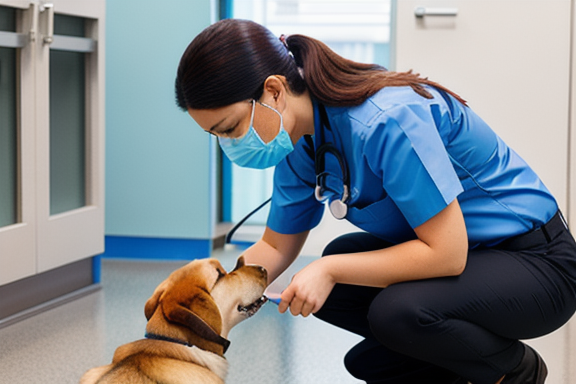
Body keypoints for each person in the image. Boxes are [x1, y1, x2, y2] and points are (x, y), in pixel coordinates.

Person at [174, 18, 576, 384]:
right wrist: (209, 304)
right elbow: (277, 246)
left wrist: (329, 269)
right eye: (218, 136)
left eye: (230, 128)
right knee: (361, 330)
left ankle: (514, 371)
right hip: (474, 261)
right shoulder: (299, 140)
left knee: (387, 307)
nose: (230, 144)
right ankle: (457, 366)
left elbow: (447, 254)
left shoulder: (387, 120)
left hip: (537, 265)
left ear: (274, 91)